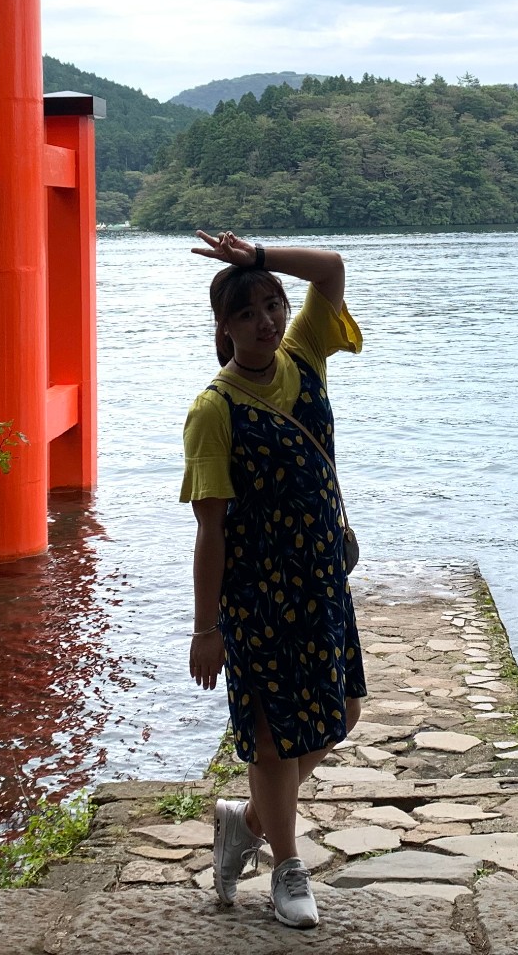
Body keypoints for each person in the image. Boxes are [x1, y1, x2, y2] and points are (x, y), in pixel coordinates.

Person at [182, 230, 364, 930]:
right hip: (256, 594)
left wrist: (256, 257)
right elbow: (211, 528)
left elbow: (333, 269)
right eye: (249, 312)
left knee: (340, 713)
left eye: (273, 306)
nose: (267, 321)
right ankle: (288, 868)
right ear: (224, 329)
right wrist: (206, 627)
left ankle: (248, 822)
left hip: (320, 580)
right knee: (270, 737)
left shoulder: (305, 355)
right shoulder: (213, 411)